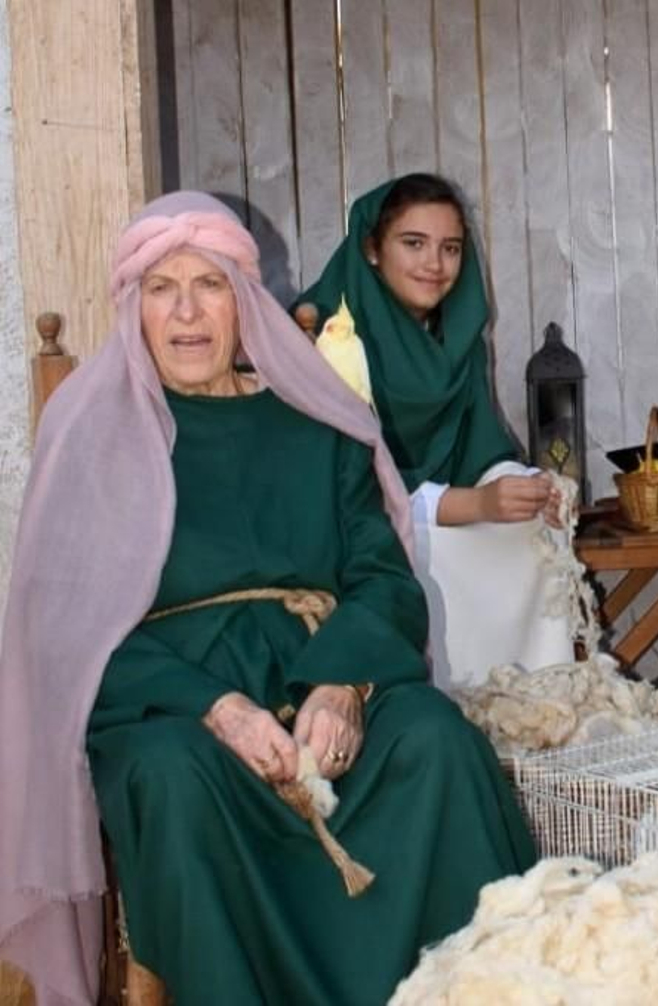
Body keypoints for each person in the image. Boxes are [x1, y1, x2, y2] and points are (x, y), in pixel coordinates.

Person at [0, 193, 537, 1005]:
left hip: (316, 674)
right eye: (160, 288)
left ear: (244, 300)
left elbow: (381, 576)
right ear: (132, 307)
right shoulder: (96, 434)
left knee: (435, 738)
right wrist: (216, 706)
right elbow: (62, 628)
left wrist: (344, 687)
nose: (186, 312)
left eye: (208, 285)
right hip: (168, 709)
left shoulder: (315, 423)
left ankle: (475, 990)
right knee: (174, 776)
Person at [297, 174, 574, 688]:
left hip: (435, 513)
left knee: (536, 537)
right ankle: (446, 710)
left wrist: (530, 489)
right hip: (350, 539)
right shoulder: (322, 333)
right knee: (426, 555)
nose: (435, 265)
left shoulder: (455, 342)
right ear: (371, 249)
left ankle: (532, 711)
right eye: (413, 244)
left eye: (450, 248)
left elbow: (481, 447)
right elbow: (329, 487)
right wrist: (475, 505)